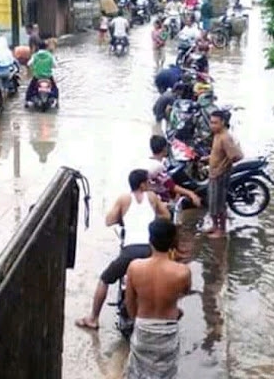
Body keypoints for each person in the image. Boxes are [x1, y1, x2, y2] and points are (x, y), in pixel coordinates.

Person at [75, 169, 170, 331]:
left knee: (105, 279)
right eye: (148, 181)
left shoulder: (124, 199)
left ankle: (93, 318)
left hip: (130, 251)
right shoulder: (152, 198)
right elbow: (166, 216)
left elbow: (108, 220)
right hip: (150, 249)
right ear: (142, 184)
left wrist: (124, 218)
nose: (150, 184)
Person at [125, 219, 191, 379]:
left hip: (143, 329)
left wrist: (137, 319)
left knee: (138, 373)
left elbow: (130, 303)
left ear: (150, 240)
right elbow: (183, 292)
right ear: (173, 241)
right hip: (167, 332)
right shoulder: (183, 272)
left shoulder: (135, 267)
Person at [207, 110, 243, 238]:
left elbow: (236, 156)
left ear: (223, 122)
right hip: (213, 173)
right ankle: (215, 226)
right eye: (211, 122)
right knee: (212, 203)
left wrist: (222, 168)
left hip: (220, 175)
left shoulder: (225, 137)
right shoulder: (216, 135)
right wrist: (208, 159)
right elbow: (218, 153)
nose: (212, 125)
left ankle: (221, 230)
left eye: (215, 123)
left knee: (219, 204)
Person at [147, 135, 201, 209]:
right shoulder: (158, 166)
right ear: (164, 149)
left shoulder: (149, 162)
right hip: (159, 199)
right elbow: (171, 186)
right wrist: (191, 193)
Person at [26, 40, 58, 105]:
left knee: (30, 89)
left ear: (38, 47)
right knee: (55, 88)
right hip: (48, 77)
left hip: (37, 77)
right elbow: (55, 65)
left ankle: (27, 101)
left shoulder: (35, 55)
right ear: (46, 47)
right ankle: (57, 101)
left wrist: (34, 66)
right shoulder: (50, 56)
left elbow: (29, 64)